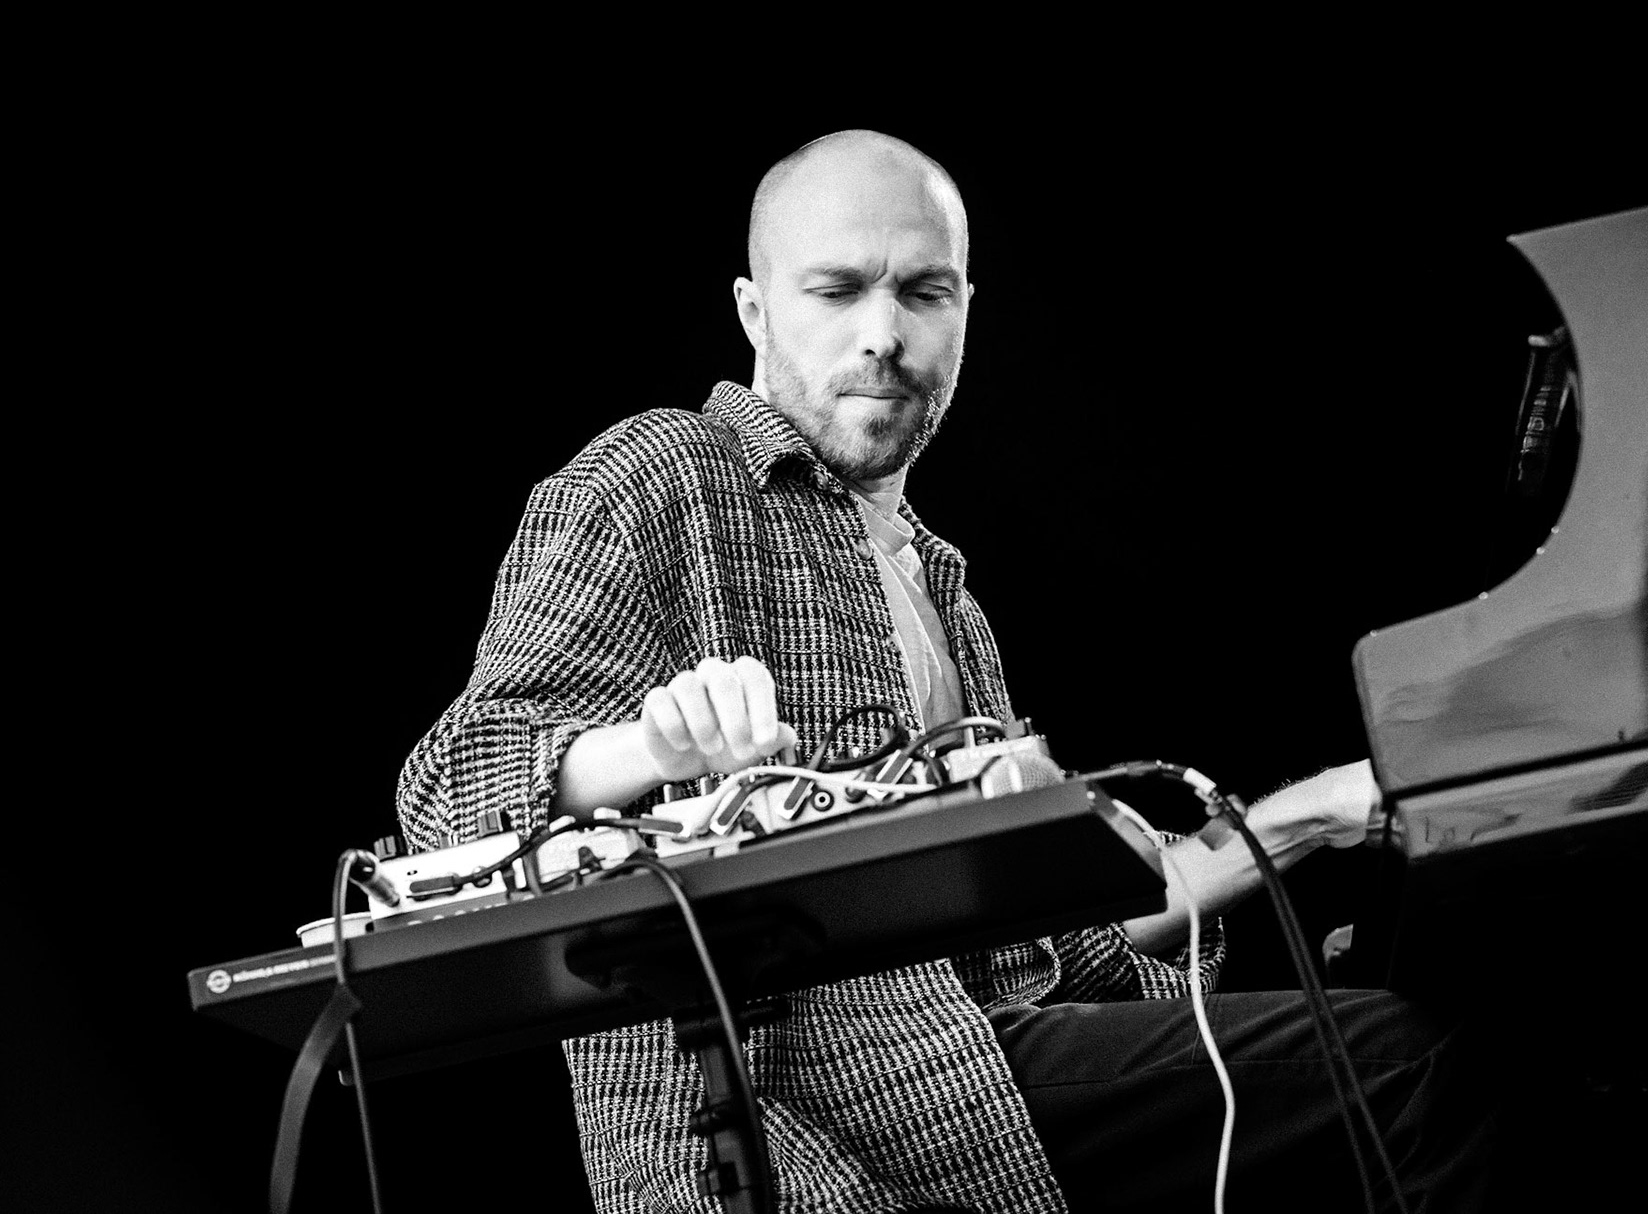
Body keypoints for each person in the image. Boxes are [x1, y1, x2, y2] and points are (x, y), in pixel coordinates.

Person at [397, 130, 1492, 1213]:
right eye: (837, 290)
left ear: (966, 309)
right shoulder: (654, 478)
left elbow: (1073, 932)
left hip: (990, 1073)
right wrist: (649, 746)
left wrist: (1316, 813)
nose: (883, 335)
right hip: (796, 1130)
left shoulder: (946, 595)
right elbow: (450, 792)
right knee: (1409, 1064)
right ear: (754, 311)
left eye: (923, 293)